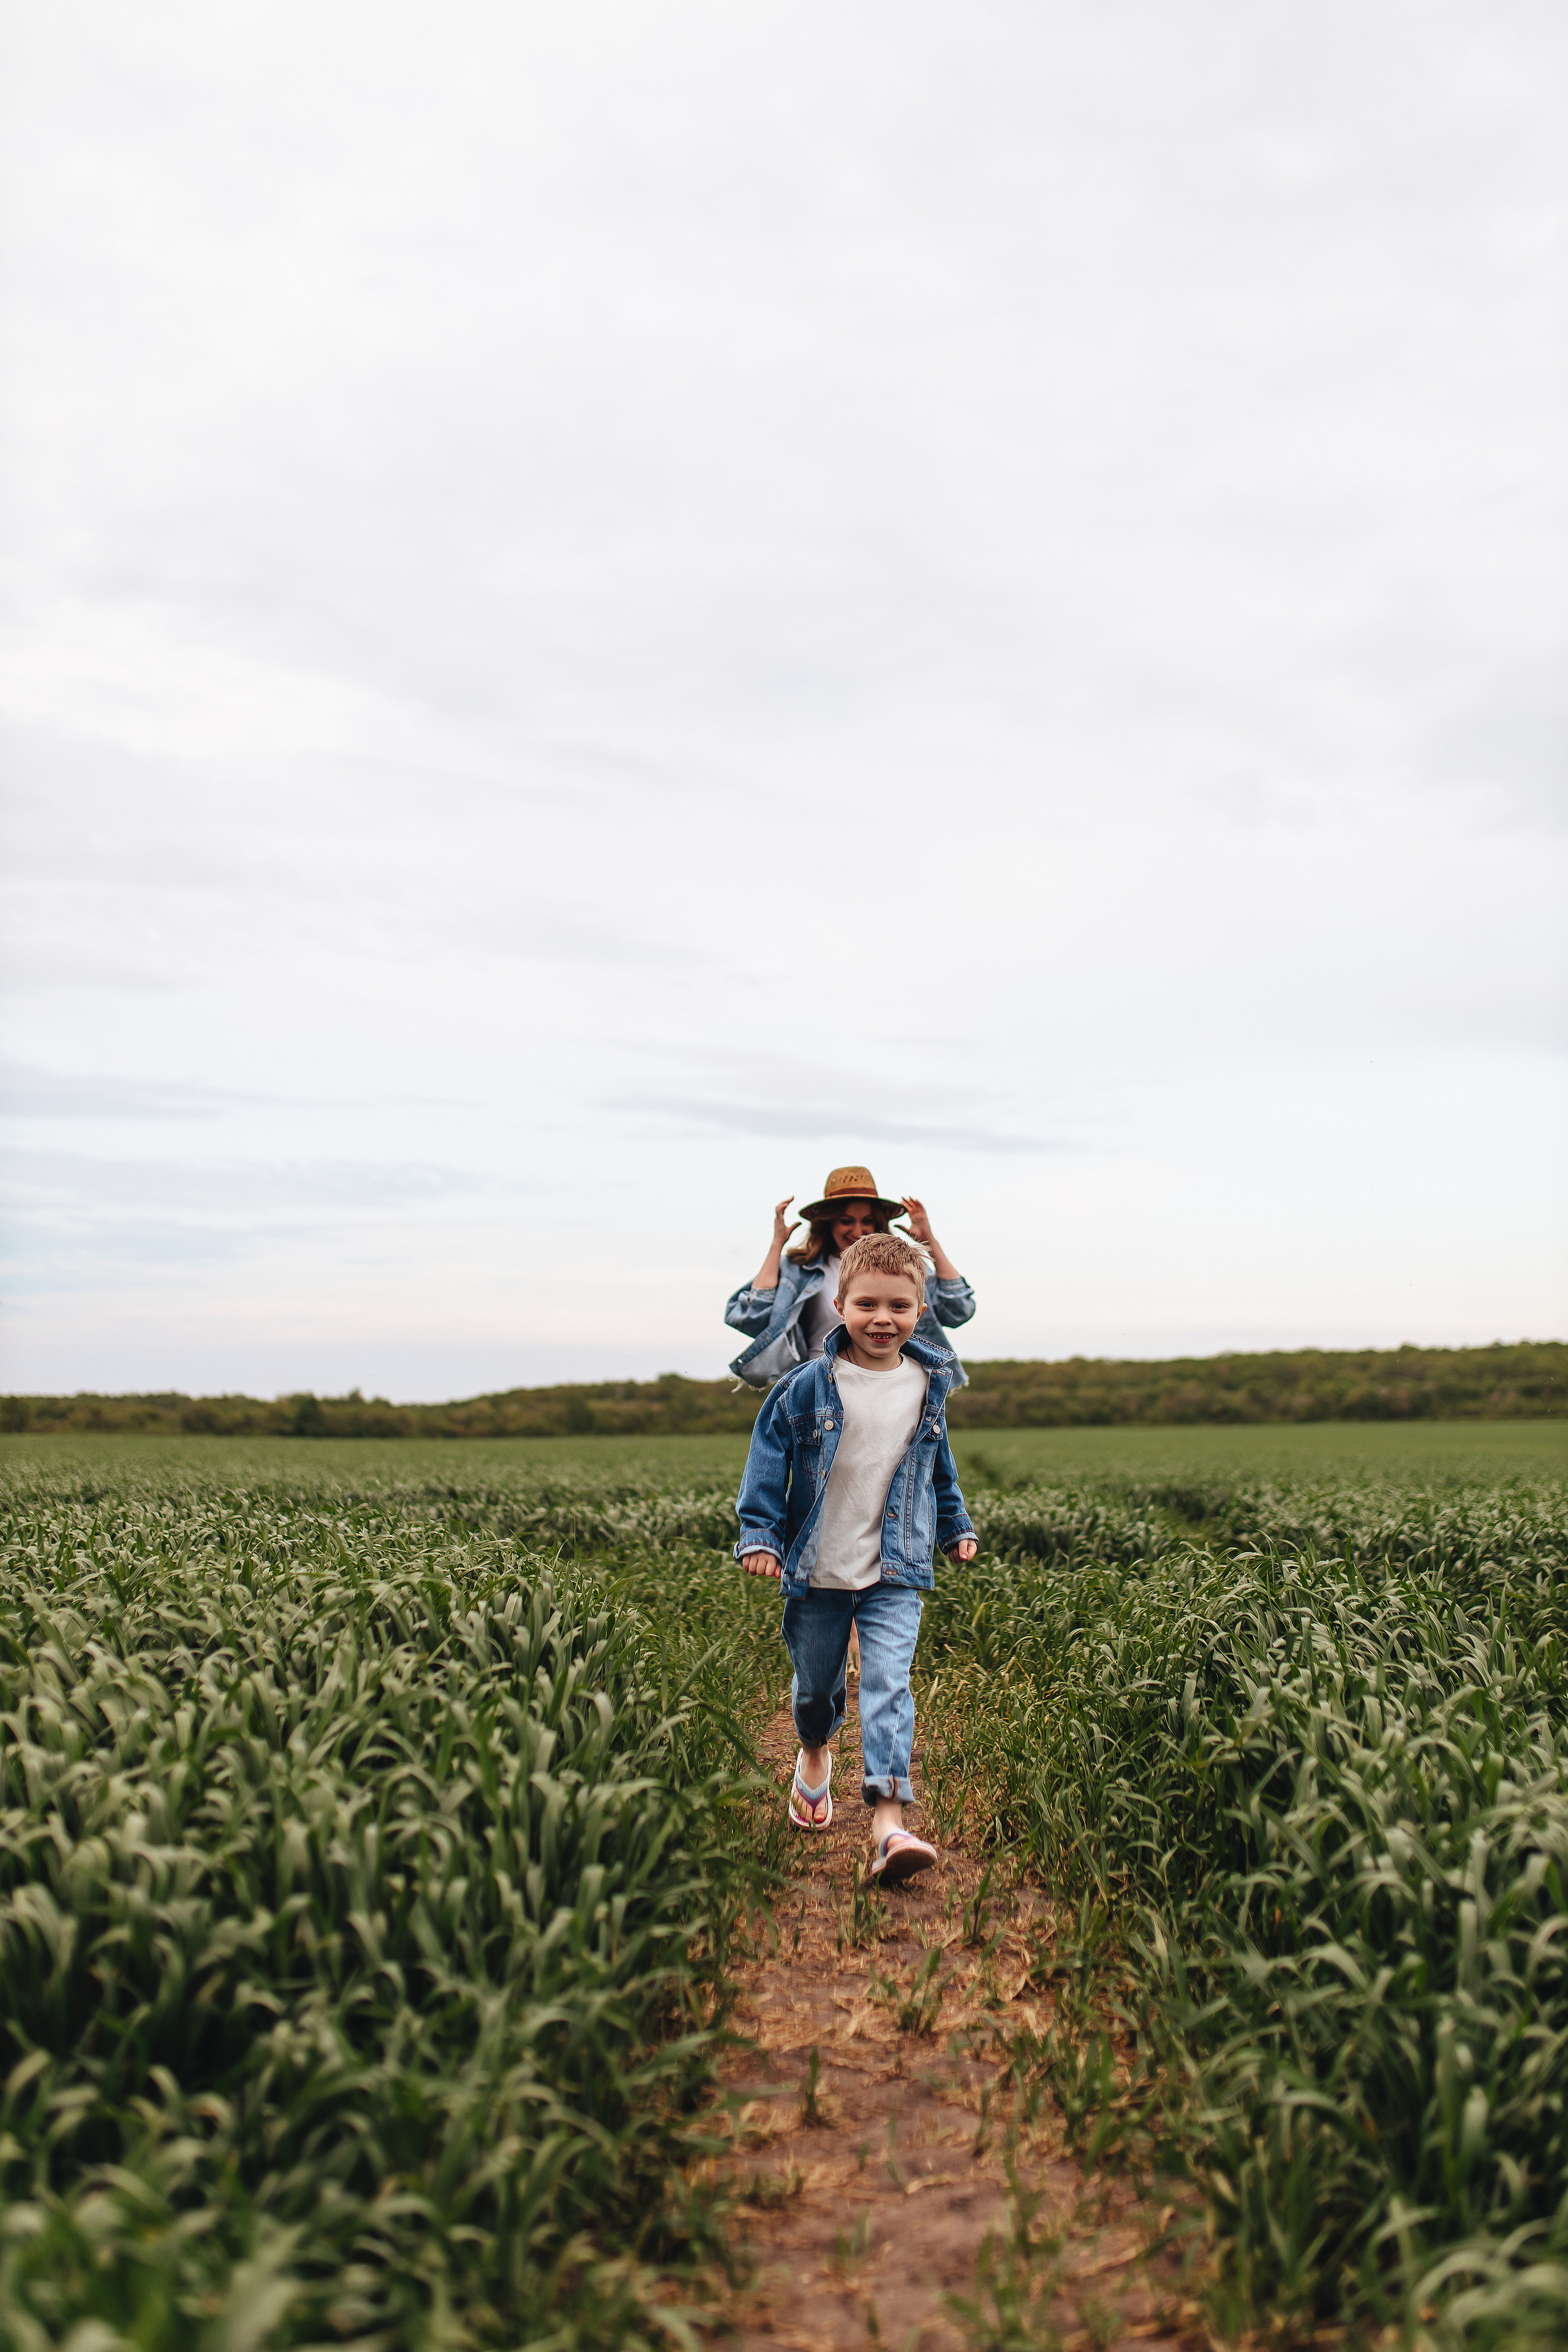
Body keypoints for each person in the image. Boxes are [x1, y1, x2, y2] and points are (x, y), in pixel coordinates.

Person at [733, 1229, 977, 1883]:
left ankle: (888, 1825)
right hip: (816, 1567)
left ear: (919, 1312)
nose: (882, 1319)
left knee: (887, 1684)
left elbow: (938, 1470)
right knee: (817, 1688)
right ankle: (814, 1751)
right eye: (867, 1304)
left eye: (898, 1307)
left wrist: (956, 1524)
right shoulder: (806, 1387)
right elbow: (766, 1465)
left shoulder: (929, 1384)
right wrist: (759, 1537)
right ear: (840, 1305)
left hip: (895, 1568)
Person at [725, 1164, 976, 1391]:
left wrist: (929, 1241)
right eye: (846, 1221)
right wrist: (777, 1244)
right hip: (820, 1387)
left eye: (867, 1221)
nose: (857, 1231)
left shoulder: (897, 1269)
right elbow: (749, 1317)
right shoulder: (800, 1270)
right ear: (828, 1224)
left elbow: (958, 1309)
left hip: (894, 1385)